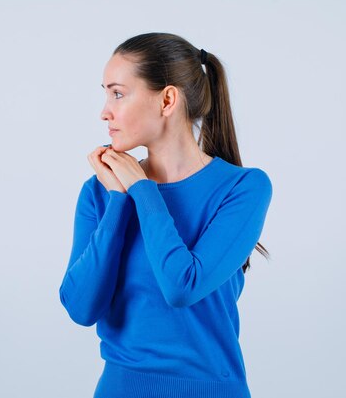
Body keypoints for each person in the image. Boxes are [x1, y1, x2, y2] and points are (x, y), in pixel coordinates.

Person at [58, 32, 273, 398]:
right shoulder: (100, 192)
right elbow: (81, 307)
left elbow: (181, 285)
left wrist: (143, 190)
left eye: (118, 93)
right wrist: (118, 201)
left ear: (168, 99)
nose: (104, 111)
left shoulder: (243, 189)